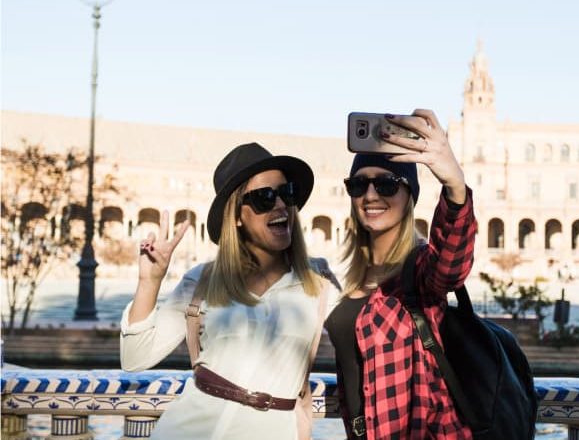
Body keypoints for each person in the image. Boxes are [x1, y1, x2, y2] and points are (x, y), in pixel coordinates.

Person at [120, 142, 333, 440]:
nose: (280, 205)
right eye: (264, 197)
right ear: (236, 216)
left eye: (286, 193)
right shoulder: (203, 280)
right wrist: (150, 281)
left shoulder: (320, 281)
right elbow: (135, 358)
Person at [325, 109, 478, 439]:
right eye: (358, 185)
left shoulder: (420, 272)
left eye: (386, 184)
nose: (370, 195)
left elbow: (451, 266)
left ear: (410, 194)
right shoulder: (350, 277)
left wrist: (455, 186)